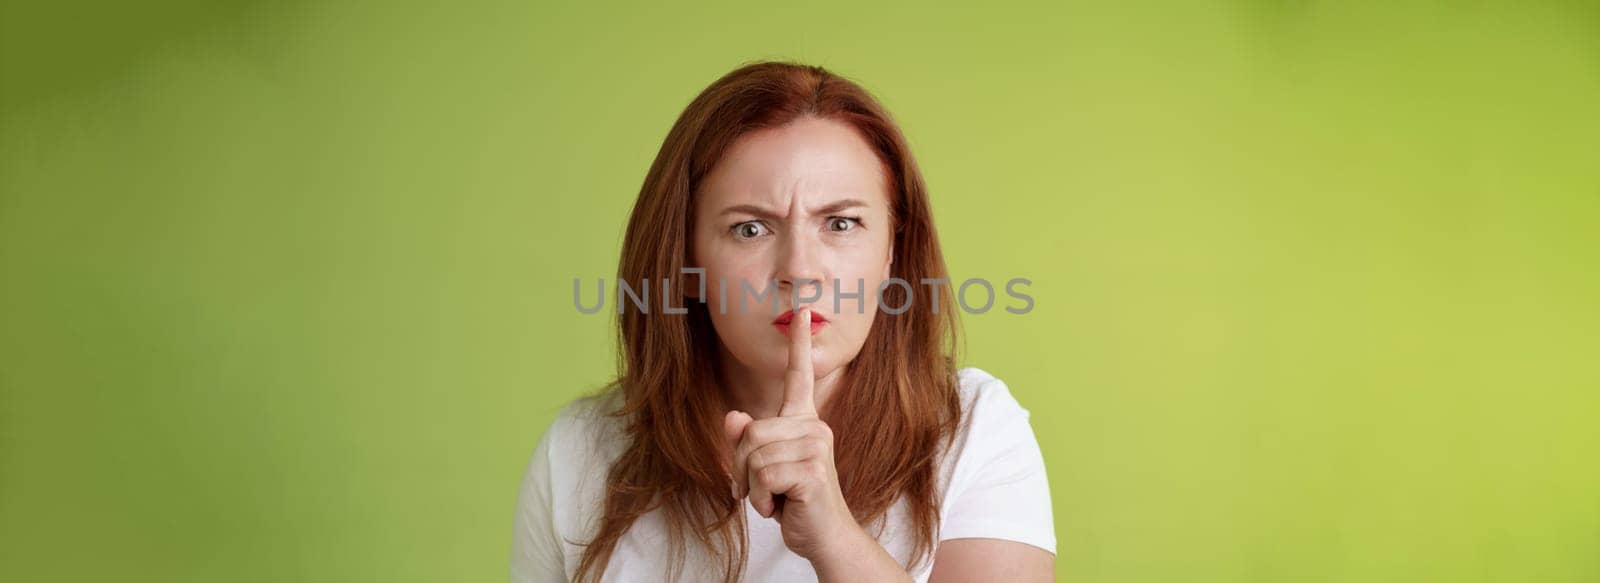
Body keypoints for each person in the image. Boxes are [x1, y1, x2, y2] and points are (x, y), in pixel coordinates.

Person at [510, 60, 1055, 582]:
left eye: (841, 223)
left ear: (893, 248)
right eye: (750, 229)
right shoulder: (581, 451)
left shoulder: (974, 431)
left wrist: (833, 537)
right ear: (687, 259)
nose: (799, 272)